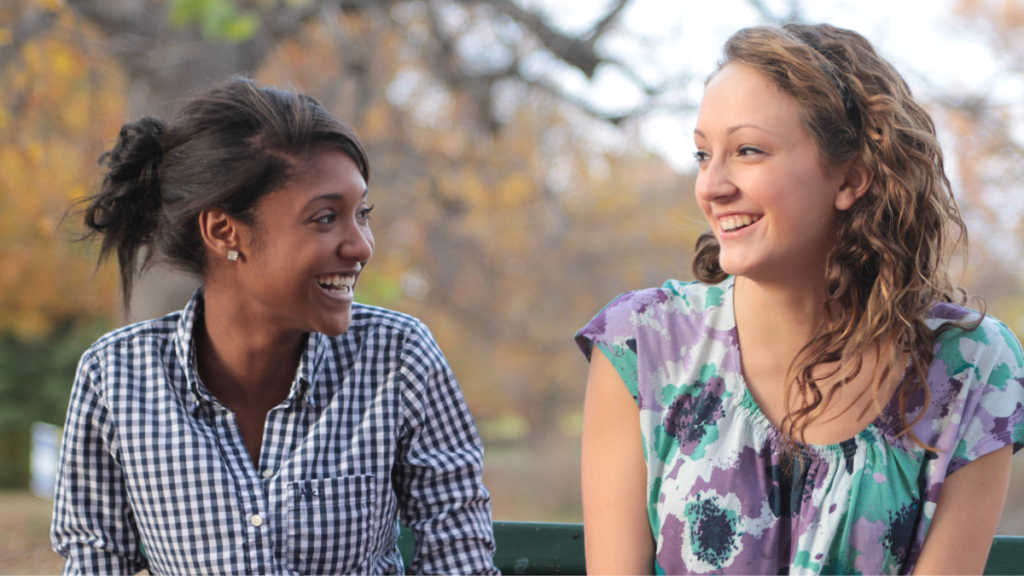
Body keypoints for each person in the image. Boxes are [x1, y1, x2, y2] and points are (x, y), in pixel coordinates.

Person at [577, 23, 1024, 575]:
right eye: (701, 154)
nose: (711, 186)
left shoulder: (971, 368)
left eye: (747, 150)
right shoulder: (641, 345)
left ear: (851, 178)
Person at [51, 78, 498, 575]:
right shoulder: (116, 378)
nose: (361, 246)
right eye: (326, 218)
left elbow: (459, 560)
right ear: (225, 232)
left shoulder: (399, 358)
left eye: (362, 214)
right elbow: (95, 562)